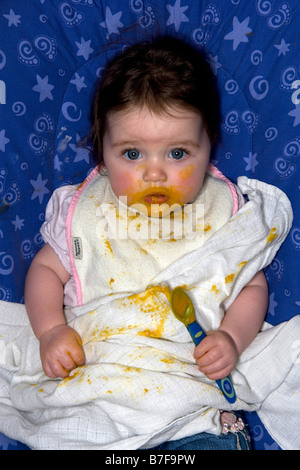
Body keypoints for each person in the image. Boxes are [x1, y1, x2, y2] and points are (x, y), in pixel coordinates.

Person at [24, 37, 269, 450]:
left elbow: (252, 285)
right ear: (102, 150)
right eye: (133, 154)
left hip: (187, 400)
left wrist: (231, 337)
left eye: (177, 153)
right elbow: (46, 270)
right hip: (98, 391)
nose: (154, 174)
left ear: (209, 143)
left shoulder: (222, 215)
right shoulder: (86, 213)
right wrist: (50, 330)